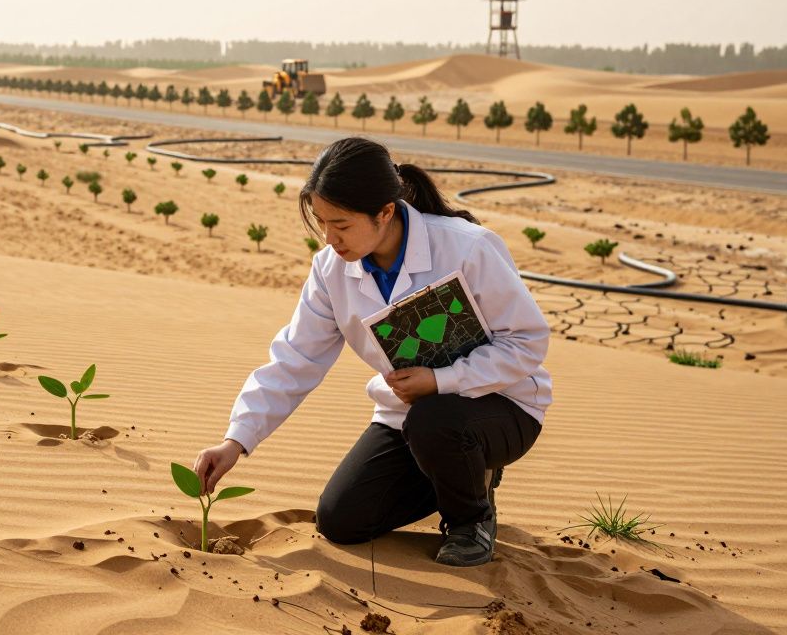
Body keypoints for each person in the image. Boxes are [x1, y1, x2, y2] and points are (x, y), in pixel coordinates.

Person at [192, 137, 551, 566]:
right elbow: (295, 358)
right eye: (322, 223)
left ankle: (471, 520)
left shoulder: (468, 247)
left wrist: (442, 380)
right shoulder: (330, 269)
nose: (330, 238)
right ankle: (463, 471)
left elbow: (527, 341)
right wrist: (235, 441)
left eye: (341, 225)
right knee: (341, 520)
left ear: (385, 212)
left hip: (502, 405)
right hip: (409, 418)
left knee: (435, 420)